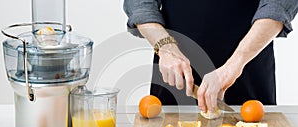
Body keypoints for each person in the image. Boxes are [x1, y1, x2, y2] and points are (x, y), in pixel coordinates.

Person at [123, 0, 298, 112]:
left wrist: (234, 65)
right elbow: (140, 3)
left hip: (248, 73)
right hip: (175, 76)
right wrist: (165, 47)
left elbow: (279, 4)